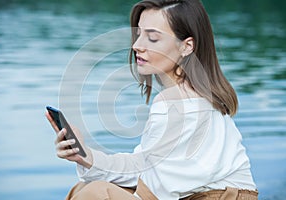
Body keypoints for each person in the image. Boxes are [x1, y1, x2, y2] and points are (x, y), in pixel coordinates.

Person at [46, 0, 258, 199]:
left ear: (187, 46)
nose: (137, 45)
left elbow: (155, 191)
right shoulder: (196, 93)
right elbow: (144, 166)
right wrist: (85, 157)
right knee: (87, 188)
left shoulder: (176, 102)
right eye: (138, 34)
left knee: (96, 192)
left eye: (153, 38)